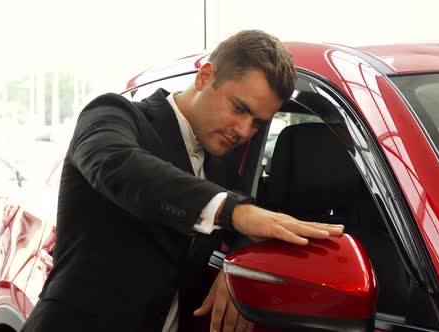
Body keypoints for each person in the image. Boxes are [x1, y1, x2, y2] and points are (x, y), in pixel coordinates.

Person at [20, 30, 344, 332]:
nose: (245, 131)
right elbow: (117, 164)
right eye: (239, 108)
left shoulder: (226, 161)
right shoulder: (115, 114)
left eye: (257, 123)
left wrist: (240, 269)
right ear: (206, 77)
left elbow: (255, 214)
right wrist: (233, 211)